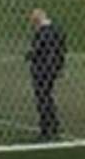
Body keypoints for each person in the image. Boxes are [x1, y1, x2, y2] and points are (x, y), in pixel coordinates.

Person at [25, 8, 66, 141]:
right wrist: (59, 67)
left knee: (42, 97)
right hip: (52, 68)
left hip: (42, 69)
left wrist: (30, 55)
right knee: (46, 96)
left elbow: (39, 50)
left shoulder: (44, 33)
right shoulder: (57, 30)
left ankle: (47, 126)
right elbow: (61, 50)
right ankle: (53, 124)